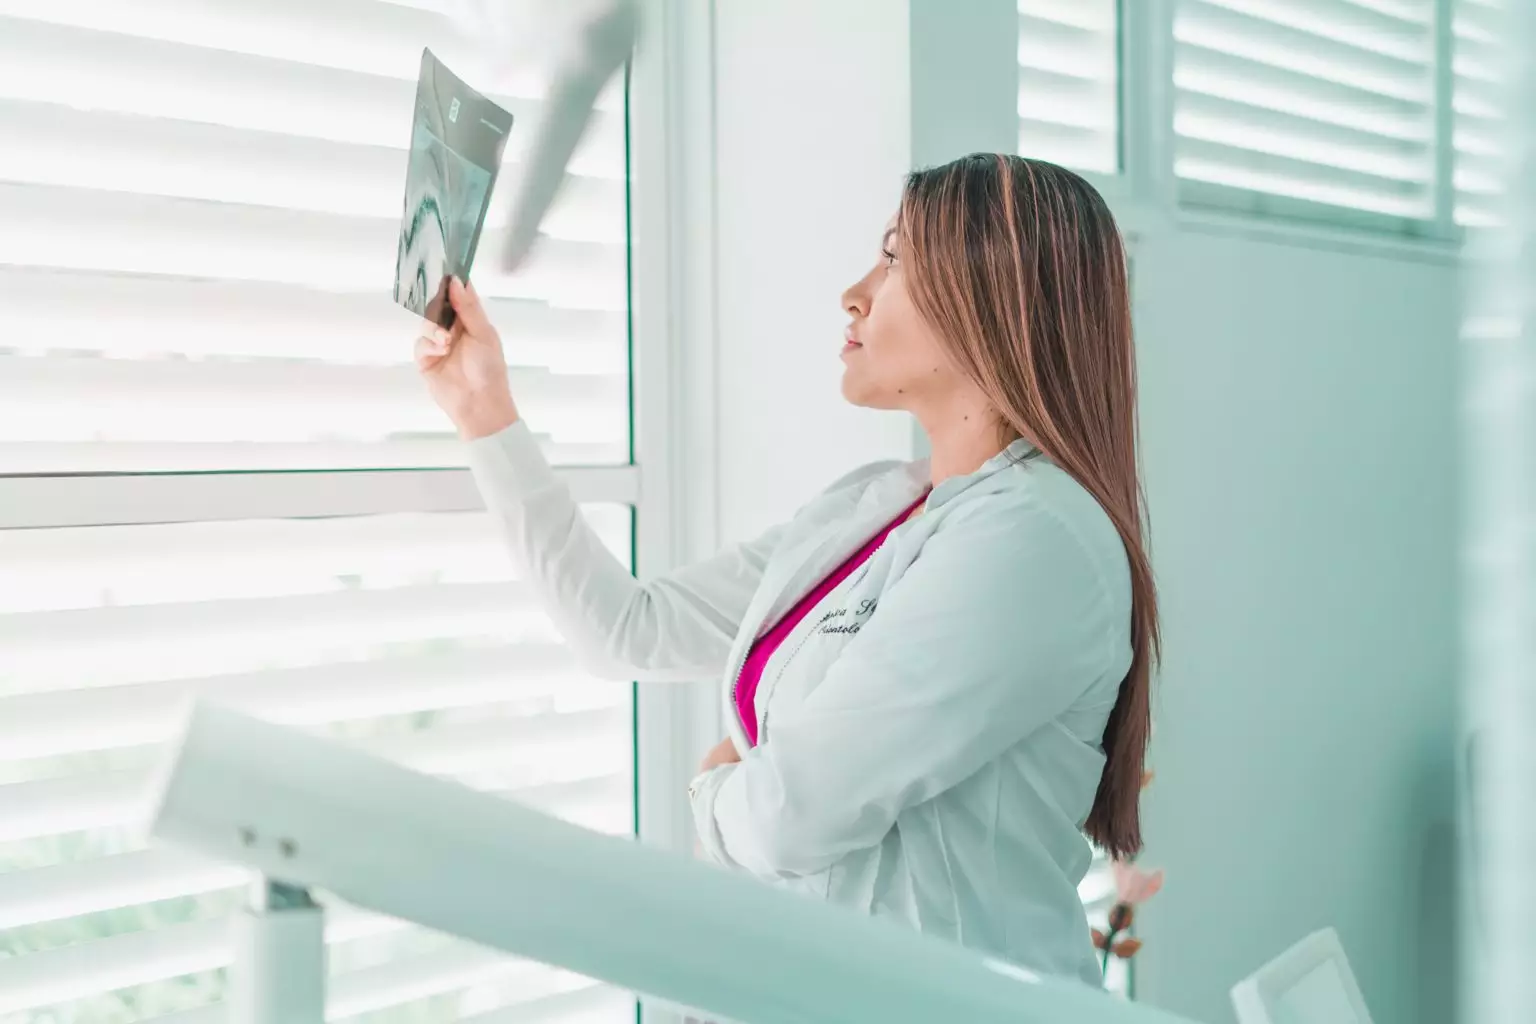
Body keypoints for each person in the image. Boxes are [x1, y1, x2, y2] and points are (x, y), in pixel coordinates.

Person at [415, 153, 1158, 986]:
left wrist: (712, 792)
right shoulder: (876, 509)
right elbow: (625, 630)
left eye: (897, 258)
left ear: (996, 305)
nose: (856, 291)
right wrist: (485, 413)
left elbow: (791, 819)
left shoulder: (1038, 539)